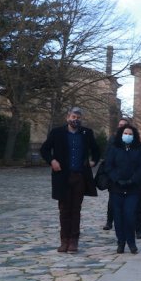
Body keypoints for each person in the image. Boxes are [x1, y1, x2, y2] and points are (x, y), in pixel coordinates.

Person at [41, 107, 101, 253]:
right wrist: (52, 161)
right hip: (62, 176)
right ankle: (64, 240)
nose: (76, 120)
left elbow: (96, 150)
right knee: (64, 209)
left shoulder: (86, 133)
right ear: (68, 117)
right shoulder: (57, 133)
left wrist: (93, 161)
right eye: (73, 116)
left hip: (79, 176)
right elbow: (44, 149)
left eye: (78, 117)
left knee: (76, 209)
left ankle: (74, 241)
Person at [104, 125, 141, 254]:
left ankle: (131, 242)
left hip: (133, 189)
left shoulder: (138, 149)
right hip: (116, 188)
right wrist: (116, 179)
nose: (127, 135)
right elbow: (108, 166)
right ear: (121, 134)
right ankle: (121, 242)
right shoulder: (114, 148)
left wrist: (132, 180)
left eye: (130, 134)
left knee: (129, 215)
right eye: (125, 133)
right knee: (118, 217)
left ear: (134, 136)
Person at [103, 118, 131, 231]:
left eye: (124, 125)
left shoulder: (132, 140)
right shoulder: (113, 139)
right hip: (115, 175)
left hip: (128, 175)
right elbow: (107, 156)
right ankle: (109, 221)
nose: (121, 127)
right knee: (112, 200)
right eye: (120, 125)